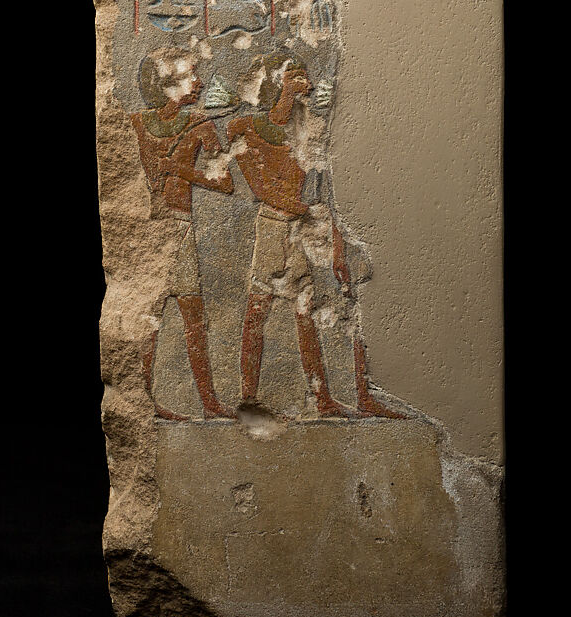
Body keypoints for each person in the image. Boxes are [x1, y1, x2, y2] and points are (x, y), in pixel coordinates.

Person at [228, 52, 403, 419]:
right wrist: (306, 211)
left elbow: (325, 190)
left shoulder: (310, 128)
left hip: (306, 226)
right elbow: (261, 189)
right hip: (277, 226)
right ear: (275, 84)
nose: (304, 83)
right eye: (295, 77)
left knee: (305, 311)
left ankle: (321, 396)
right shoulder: (245, 128)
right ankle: (248, 395)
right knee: (259, 310)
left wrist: (334, 237)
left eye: (304, 77)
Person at [130, 52, 234, 420]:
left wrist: (184, 172)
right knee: (149, 318)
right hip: (149, 230)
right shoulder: (136, 124)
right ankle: (143, 402)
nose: (200, 83)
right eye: (192, 75)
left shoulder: (200, 124)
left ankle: (208, 403)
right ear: (167, 84)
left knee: (193, 317)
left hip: (179, 226)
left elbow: (226, 183)